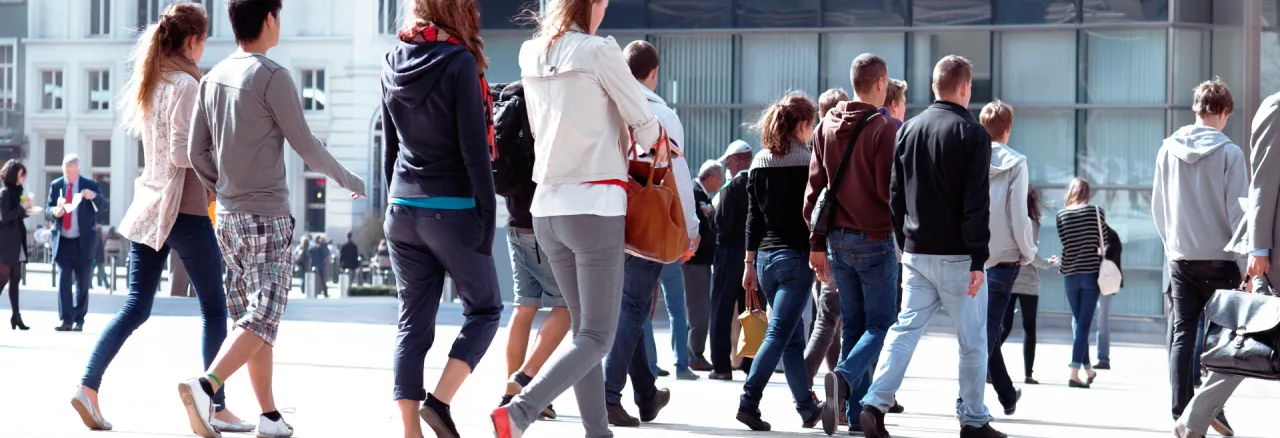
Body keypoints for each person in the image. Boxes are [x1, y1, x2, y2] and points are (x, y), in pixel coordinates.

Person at [181, 0, 368, 436]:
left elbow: (194, 153)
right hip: (266, 215)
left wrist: (223, 184)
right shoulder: (272, 76)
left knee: (252, 317)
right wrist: (348, 178)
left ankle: (268, 416)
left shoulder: (212, 78)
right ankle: (206, 385)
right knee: (262, 315)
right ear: (269, 18)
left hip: (226, 217)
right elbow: (307, 146)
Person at [70, 4, 254, 433]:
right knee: (214, 308)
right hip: (185, 211)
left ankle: (88, 387)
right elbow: (181, 153)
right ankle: (216, 404)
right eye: (204, 40)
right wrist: (220, 176)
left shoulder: (153, 81)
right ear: (192, 42)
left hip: (149, 209)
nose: (205, 48)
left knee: (135, 306)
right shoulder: (187, 85)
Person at [489, 0, 666, 435]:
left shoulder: (531, 53)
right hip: (594, 206)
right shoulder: (599, 51)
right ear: (590, 4)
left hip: (547, 208)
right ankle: (519, 410)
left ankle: (596, 431)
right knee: (597, 337)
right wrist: (658, 143)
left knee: (584, 333)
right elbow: (644, 123)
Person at [859, 55, 1004, 438]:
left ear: (934, 86)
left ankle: (874, 402)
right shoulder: (973, 134)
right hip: (959, 256)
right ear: (965, 88)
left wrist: (903, 242)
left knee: (904, 330)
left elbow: (895, 195)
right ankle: (973, 419)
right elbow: (976, 202)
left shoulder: (908, 129)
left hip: (916, 251)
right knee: (972, 342)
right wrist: (978, 257)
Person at [380, 1, 506, 436]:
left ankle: (410, 431)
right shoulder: (459, 63)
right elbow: (475, 151)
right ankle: (439, 402)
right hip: (451, 207)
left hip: (402, 205)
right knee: (487, 309)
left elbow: (389, 150)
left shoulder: (392, 60)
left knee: (412, 321)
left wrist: (394, 204)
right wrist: (487, 217)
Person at [599, 38, 696, 428]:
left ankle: (645, 394)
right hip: (646, 221)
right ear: (654, 73)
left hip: (605, 214)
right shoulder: (659, 113)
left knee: (629, 306)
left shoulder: (606, 102)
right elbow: (679, 176)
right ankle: (608, 394)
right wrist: (690, 228)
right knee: (634, 306)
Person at [1174, 91, 1280, 438]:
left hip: (1187, 254)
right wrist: (1256, 250)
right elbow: (1262, 185)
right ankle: (1193, 418)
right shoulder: (1275, 108)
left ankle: (1191, 419)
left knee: (1248, 339)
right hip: (1269, 253)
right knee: (1250, 340)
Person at [804, 53, 899, 434]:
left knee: (855, 325)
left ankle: (857, 413)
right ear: (880, 83)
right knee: (882, 324)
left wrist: (816, 243)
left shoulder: (825, 124)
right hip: (874, 239)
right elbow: (888, 192)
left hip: (837, 243)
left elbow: (814, 192)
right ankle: (842, 378)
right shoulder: (885, 129)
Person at [1153, 79, 1245, 437]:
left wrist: (1171, 246)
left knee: (1182, 334)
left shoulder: (1166, 150)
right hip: (1221, 259)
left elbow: (1159, 208)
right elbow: (1238, 215)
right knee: (1223, 341)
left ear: (1197, 110)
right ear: (1223, 113)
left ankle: (1181, 410)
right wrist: (1245, 265)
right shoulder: (1230, 153)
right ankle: (1210, 409)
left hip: (1182, 257)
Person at [736, 93, 832, 432]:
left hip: (764, 261)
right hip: (795, 259)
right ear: (804, 125)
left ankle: (806, 408)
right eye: (812, 125)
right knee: (779, 333)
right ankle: (748, 401)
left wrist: (748, 265)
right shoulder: (810, 162)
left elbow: (753, 220)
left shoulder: (759, 162)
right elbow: (818, 214)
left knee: (792, 336)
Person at [976, 100, 1035, 416]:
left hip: (972, 259)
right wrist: (1028, 251)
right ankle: (968, 400)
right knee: (986, 335)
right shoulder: (1017, 163)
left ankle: (1007, 394)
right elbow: (1018, 215)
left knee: (984, 332)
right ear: (1008, 129)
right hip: (1004, 262)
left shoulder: (970, 159)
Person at [803, 87, 849, 388]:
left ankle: (835, 385)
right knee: (828, 320)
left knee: (831, 319)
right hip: (835, 239)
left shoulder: (815, 141)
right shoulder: (834, 140)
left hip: (819, 239)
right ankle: (803, 382)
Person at [709, 139, 756, 380]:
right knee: (752, 308)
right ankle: (751, 365)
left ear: (737, 160)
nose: (727, 166)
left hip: (729, 254)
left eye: (728, 161)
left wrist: (712, 217)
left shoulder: (729, 189)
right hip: (754, 255)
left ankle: (722, 366)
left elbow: (723, 226)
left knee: (721, 308)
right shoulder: (760, 186)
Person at [1002, 187, 1058, 385]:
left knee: (1004, 327)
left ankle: (988, 367)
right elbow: (1030, 255)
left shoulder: (1006, 221)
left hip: (1007, 278)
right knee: (1029, 328)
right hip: (1027, 282)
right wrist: (1049, 263)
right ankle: (1028, 374)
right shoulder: (1032, 223)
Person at [47, 153, 108, 333]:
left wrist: (93, 196)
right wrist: (55, 213)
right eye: (66, 172)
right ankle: (66, 319)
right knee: (64, 281)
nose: (69, 176)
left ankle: (79, 319)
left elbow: (103, 206)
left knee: (82, 284)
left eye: (72, 173)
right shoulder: (56, 185)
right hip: (63, 241)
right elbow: (48, 209)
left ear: (78, 170)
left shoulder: (89, 185)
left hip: (83, 243)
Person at [1054, 177, 1106, 390]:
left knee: (1079, 324)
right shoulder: (1096, 212)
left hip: (1069, 275)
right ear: (1087, 192)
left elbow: (1065, 244)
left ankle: (1088, 369)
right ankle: (1074, 373)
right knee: (1083, 325)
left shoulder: (1061, 214)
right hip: (1089, 274)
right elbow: (1102, 242)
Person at [685, 159, 723, 372]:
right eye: (719, 180)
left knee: (694, 309)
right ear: (709, 178)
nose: (720, 185)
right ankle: (694, 354)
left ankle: (690, 353)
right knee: (699, 311)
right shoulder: (695, 195)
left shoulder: (699, 194)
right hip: (695, 260)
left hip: (698, 260)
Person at [0, 160, 30, 331]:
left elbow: (16, 216)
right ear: (14, 175)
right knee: (3, 279)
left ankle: (16, 315)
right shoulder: (4, 192)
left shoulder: (17, 192)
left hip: (17, 242)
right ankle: (15, 316)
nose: (24, 178)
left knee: (16, 279)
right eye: (21, 174)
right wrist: (22, 208)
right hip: (6, 244)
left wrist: (25, 210)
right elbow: (4, 217)